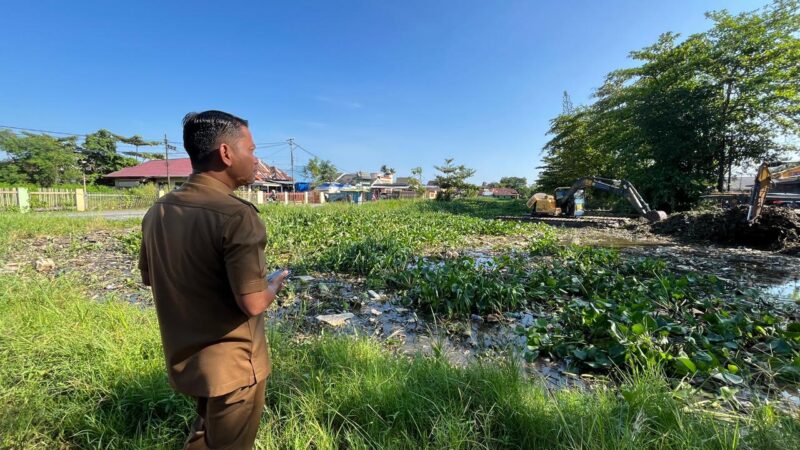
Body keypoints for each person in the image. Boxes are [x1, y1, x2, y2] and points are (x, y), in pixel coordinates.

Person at [139, 110, 288, 449]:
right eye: (250, 150)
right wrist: (274, 285)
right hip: (234, 366)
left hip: (188, 360)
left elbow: (151, 278)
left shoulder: (157, 212)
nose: (256, 159)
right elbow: (251, 302)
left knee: (204, 434)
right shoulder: (237, 216)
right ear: (226, 153)